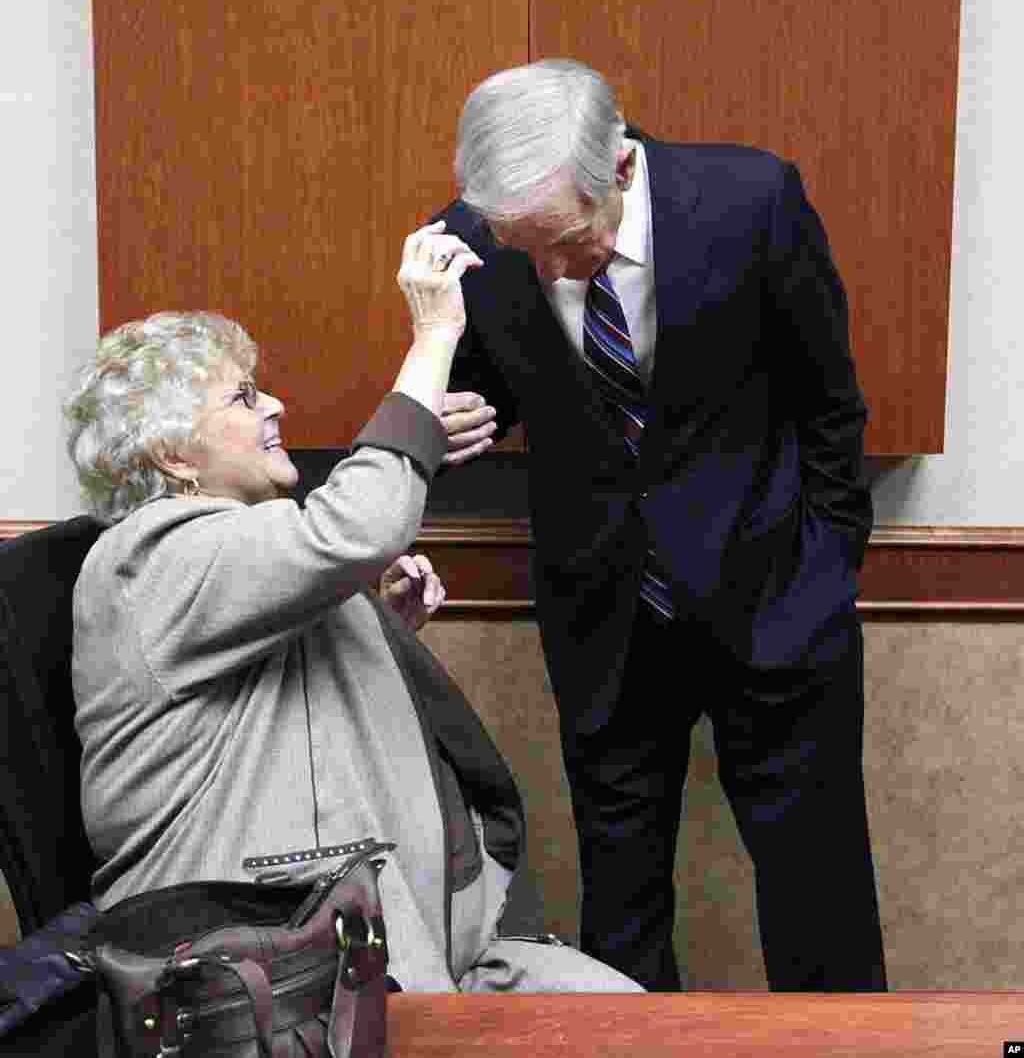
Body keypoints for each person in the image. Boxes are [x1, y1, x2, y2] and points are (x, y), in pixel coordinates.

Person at [66, 222, 642, 995]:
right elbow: (357, 528)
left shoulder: (226, 552)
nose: (276, 405)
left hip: (394, 935)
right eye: (244, 396)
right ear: (174, 455)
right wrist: (435, 335)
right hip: (261, 970)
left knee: (637, 1018)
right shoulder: (148, 556)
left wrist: (379, 629)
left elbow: (271, 704)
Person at [436, 59, 886, 992]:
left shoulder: (750, 202)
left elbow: (831, 407)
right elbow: (493, 388)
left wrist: (824, 572)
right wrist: (446, 412)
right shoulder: (477, 239)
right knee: (621, 909)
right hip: (605, 616)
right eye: (526, 250)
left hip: (775, 600)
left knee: (820, 897)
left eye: (568, 242)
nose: (550, 271)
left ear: (621, 165)